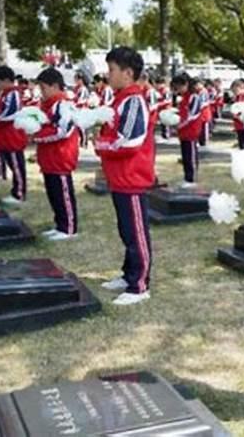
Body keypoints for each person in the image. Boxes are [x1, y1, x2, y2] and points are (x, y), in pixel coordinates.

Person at [96, 47, 156, 306]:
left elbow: (131, 141)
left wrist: (102, 146)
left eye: (112, 70)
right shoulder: (120, 99)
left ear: (128, 73)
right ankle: (128, 273)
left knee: (136, 232)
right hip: (119, 177)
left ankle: (140, 284)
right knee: (125, 230)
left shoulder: (133, 100)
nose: (108, 75)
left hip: (131, 177)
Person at [31, 68, 80, 241]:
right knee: (53, 193)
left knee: (63, 193)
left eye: (43, 88)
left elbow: (63, 130)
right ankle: (60, 224)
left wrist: (38, 137)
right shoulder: (47, 106)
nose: (41, 92)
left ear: (55, 86)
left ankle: (69, 228)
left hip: (61, 156)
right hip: (49, 157)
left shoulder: (63, 104)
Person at [0, 65, 28, 204]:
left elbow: (12, 113)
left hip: (13, 135)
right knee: (13, 165)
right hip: (5, 135)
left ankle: (19, 194)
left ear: (6, 80)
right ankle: (16, 191)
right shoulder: (6, 94)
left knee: (17, 165)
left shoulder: (13, 93)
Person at [173, 73, 205, 188]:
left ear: (186, 84)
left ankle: (192, 179)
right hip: (183, 131)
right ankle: (187, 178)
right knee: (185, 155)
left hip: (191, 130)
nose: (179, 89)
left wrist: (180, 123)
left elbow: (193, 115)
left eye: (180, 86)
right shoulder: (184, 98)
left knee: (191, 155)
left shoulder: (194, 97)